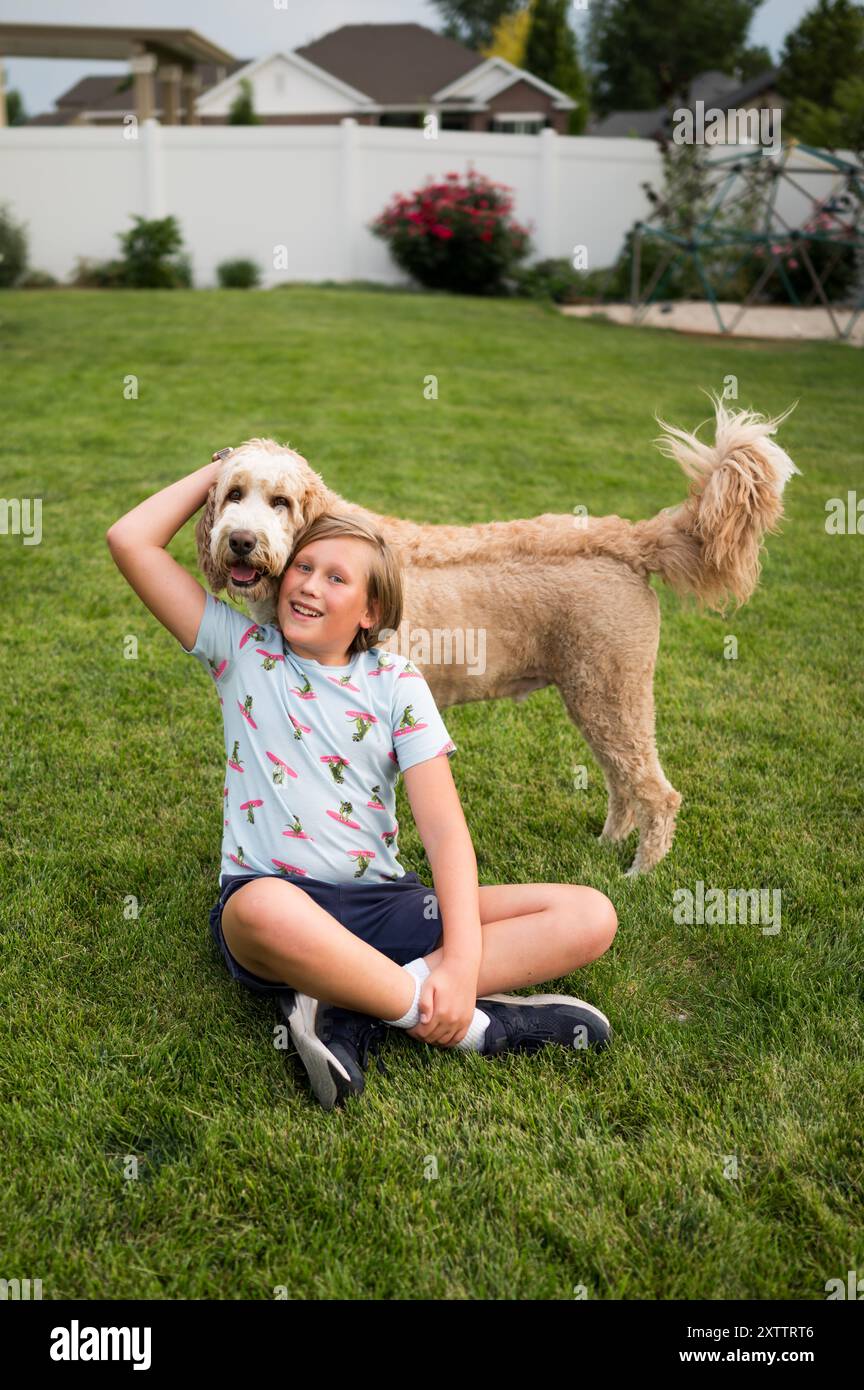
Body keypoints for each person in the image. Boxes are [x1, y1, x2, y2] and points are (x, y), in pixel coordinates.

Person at [106, 456, 618, 1110]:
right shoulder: (237, 651)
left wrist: (461, 961)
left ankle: (349, 1006)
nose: (309, 586)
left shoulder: (397, 683)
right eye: (302, 569)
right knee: (256, 911)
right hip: (279, 905)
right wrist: (216, 475)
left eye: (336, 577)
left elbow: (443, 830)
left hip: (385, 904)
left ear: (372, 609)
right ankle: (470, 1026)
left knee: (588, 915)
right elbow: (129, 540)